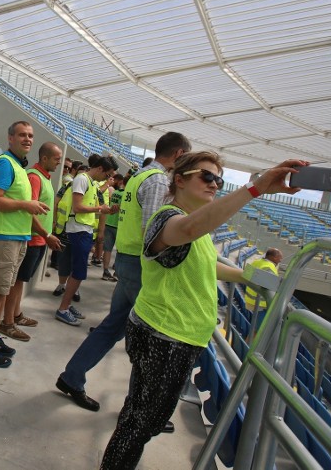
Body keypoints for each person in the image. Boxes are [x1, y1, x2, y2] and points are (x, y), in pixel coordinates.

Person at [99, 153, 306, 469]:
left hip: (174, 337)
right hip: (164, 337)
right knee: (139, 425)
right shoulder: (168, 219)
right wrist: (255, 188)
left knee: (143, 419)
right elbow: (187, 229)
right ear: (179, 180)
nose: (214, 184)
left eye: (219, 180)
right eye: (206, 176)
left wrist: (245, 275)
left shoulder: (193, 227)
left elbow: (205, 264)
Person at [55, 132, 190, 411]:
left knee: (113, 327)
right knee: (150, 335)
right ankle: (139, 407)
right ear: (178, 155)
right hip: (141, 266)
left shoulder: (140, 177)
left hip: (129, 262)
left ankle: (72, 376)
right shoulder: (156, 181)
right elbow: (154, 231)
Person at [0, 121, 48, 368]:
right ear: (10, 138)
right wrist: (27, 205)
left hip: (17, 237)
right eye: (22, 135)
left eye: (30, 136)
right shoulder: (5, 164)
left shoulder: (17, 166)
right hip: (4, 237)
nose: (27, 139)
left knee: (2, 293)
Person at [0, 142, 63, 342]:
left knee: (22, 282)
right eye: (56, 158)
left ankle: (16, 315)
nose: (59, 162)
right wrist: (46, 234)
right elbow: (30, 209)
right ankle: (7, 322)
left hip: (40, 239)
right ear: (44, 158)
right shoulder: (34, 177)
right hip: (34, 237)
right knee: (17, 283)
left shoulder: (44, 177)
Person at [53, 155, 115, 326]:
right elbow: (78, 207)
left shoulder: (92, 183)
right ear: (100, 169)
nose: (108, 179)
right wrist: (99, 208)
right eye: (107, 174)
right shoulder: (82, 179)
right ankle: (63, 309)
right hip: (78, 231)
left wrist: (107, 211)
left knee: (77, 271)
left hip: (84, 231)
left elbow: (93, 208)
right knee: (79, 272)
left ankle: (68, 304)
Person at [102, 173, 127, 281]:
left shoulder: (116, 192)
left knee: (107, 249)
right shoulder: (127, 195)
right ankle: (116, 272)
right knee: (120, 250)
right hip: (119, 224)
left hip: (109, 222)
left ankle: (105, 271)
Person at [244, 248, 282, 313]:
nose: (280, 260)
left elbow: (245, 276)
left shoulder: (256, 262)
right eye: (279, 258)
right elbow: (273, 288)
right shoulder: (269, 268)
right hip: (260, 305)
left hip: (249, 301)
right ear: (273, 257)